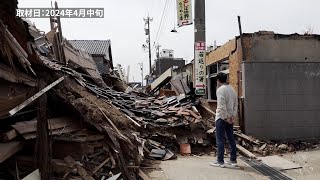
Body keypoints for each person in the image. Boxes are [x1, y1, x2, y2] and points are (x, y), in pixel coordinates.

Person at [210, 72, 238, 168]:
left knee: (220, 139)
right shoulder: (232, 89)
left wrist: (225, 117)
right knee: (231, 139)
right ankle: (233, 160)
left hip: (222, 118)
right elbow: (236, 104)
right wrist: (232, 116)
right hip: (230, 118)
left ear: (218, 80)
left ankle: (220, 161)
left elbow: (221, 106)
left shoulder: (220, 90)